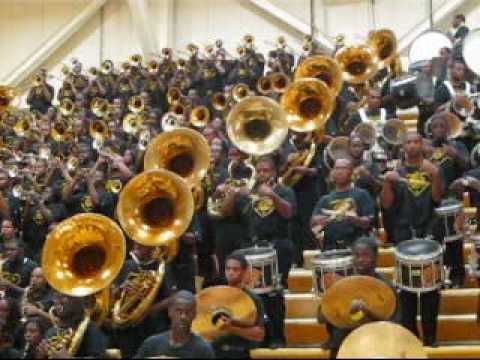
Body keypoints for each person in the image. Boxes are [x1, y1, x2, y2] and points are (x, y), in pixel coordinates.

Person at [381, 132, 443, 346]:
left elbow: (437, 198)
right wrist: (387, 184)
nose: (413, 145)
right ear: (403, 146)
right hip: (403, 232)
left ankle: (431, 339)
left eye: (416, 141)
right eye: (408, 141)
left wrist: (435, 176)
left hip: (428, 230)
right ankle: (411, 339)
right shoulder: (395, 172)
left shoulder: (432, 169)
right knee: (406, 291)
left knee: (430, 289)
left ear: (422, 144)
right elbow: (387, 205)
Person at [318, 236, 400, 359]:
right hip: (343, 342)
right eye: (356, 255)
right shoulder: (342, 283)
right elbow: (320, 318)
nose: (361, 259)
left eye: (366, 255)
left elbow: (393, 325)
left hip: (374, 344)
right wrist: (331, 297)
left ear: (376, 258)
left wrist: (367, 312)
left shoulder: (386, 287)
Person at [112, 243, 173, 358]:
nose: (136, 245)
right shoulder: (127, 265)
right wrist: (121, 289)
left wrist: (146, 309)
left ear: (153, 246)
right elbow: (113, 296)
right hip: (128, 329)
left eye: (142, 243)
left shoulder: (162, 267)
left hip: (152, 326)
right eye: (135, 241)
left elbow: (171, 299)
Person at [311, 158, 375, 250]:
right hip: (331, 247)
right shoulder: (325, 199)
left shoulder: (362, 194)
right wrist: (319, 221)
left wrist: (355, 220)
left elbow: (368, 222)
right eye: (337, 168)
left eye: (344, 168)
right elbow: (314, 227)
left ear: (351, 172)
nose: (340, 172)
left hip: (356, 246)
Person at [212, 252, 266, 358]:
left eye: (235, 269)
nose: (231, 273)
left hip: (241, 350)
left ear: (245, 271)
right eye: (228, 269)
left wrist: (231, 327)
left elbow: (259, 335)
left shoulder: (253, 299)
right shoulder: (216, 294)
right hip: (217, 348)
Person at [135, 291, 214, 359]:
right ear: (170, 312)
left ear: (194, 315)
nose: (183, 316)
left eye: (188, 312)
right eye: (178, 311)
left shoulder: (203, 350)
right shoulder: (152, 344)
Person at [37, 293, 108, 358]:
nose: (57, 301)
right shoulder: (52, 330)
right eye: (57, 297)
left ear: (76, 302)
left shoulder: (90, 329)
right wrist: (42, 355)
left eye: (64, 297)